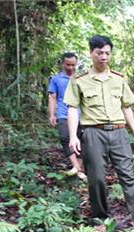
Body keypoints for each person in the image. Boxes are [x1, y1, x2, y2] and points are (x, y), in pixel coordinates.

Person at [64, 35, 134, 232]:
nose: (104, 57)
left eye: (107, 53)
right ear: (91, 53)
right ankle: (101, 220)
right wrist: (73, 136)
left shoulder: (118, 79)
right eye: (99, 53)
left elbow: (127, 107)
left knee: (128, 175)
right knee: (96, 178)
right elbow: (72, 109)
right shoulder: (79, 80)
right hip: (93, 133)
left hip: (119, 132)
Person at [48, 52, 86, 180]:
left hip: (81, 115)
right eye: (68, 65)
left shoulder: (81, 78)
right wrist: (52, 114)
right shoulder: (56, 79)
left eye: (73, 65)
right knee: (65, 138)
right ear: (63, 64)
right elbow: (52, 97)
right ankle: (77, 167)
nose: (71, 67)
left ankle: (77, 168)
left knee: (82, 140)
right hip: (63, 114)